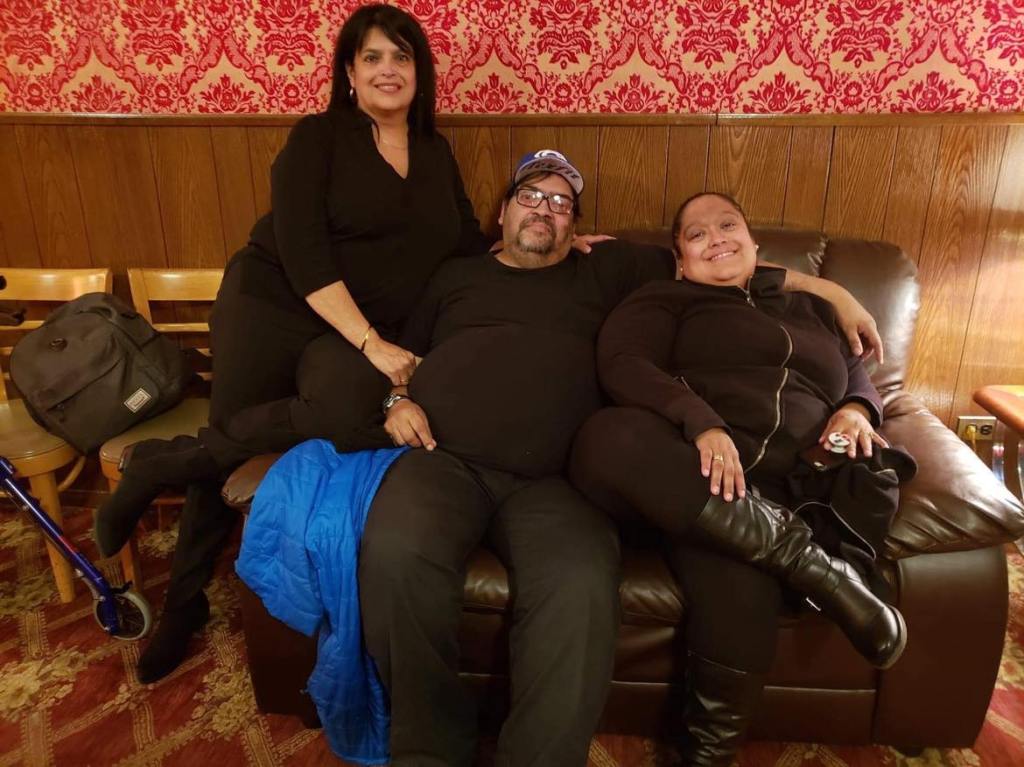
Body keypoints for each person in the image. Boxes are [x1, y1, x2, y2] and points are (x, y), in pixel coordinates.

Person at [356, 158, 887, 766]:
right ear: (501, 214)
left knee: (581, 590)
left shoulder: (611, 268)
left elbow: (724, 264)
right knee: (395, 555)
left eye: (561, 203)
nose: (544, 209)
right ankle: (429, 750)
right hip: (443, 458)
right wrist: (396, 400)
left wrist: (832, 291)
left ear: (576, 227)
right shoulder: (455, 276)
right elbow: (400, 358)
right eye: (530, 196)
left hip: (557, 482)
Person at [93, 4, 498, 685]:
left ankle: (163, 462)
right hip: (273, 305)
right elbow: (305, 254)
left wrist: (543, 243)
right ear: (349, 73)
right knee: (236, 434)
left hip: (345, 328)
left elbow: (464, 244)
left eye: (401, 57)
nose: (388, 70)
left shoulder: (435, 151)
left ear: (420, 73)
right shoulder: (318, 137)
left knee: (353, 412)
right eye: (372, 57)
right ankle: (184, 605)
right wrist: (371, 343)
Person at [568, 191, 910, 766]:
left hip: (787, 488)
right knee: (607, 436)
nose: (716, 239)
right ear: (680, 258)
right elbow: (623, 364)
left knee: (741, 571)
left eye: (728, 226)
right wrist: (701, 421)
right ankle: (820, 574)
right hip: (690, 476)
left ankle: (708, 754)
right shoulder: (664, 298)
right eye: (697, 234)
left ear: (755, 244)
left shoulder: (815, 311)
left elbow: (857, 374)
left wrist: (857, 409)